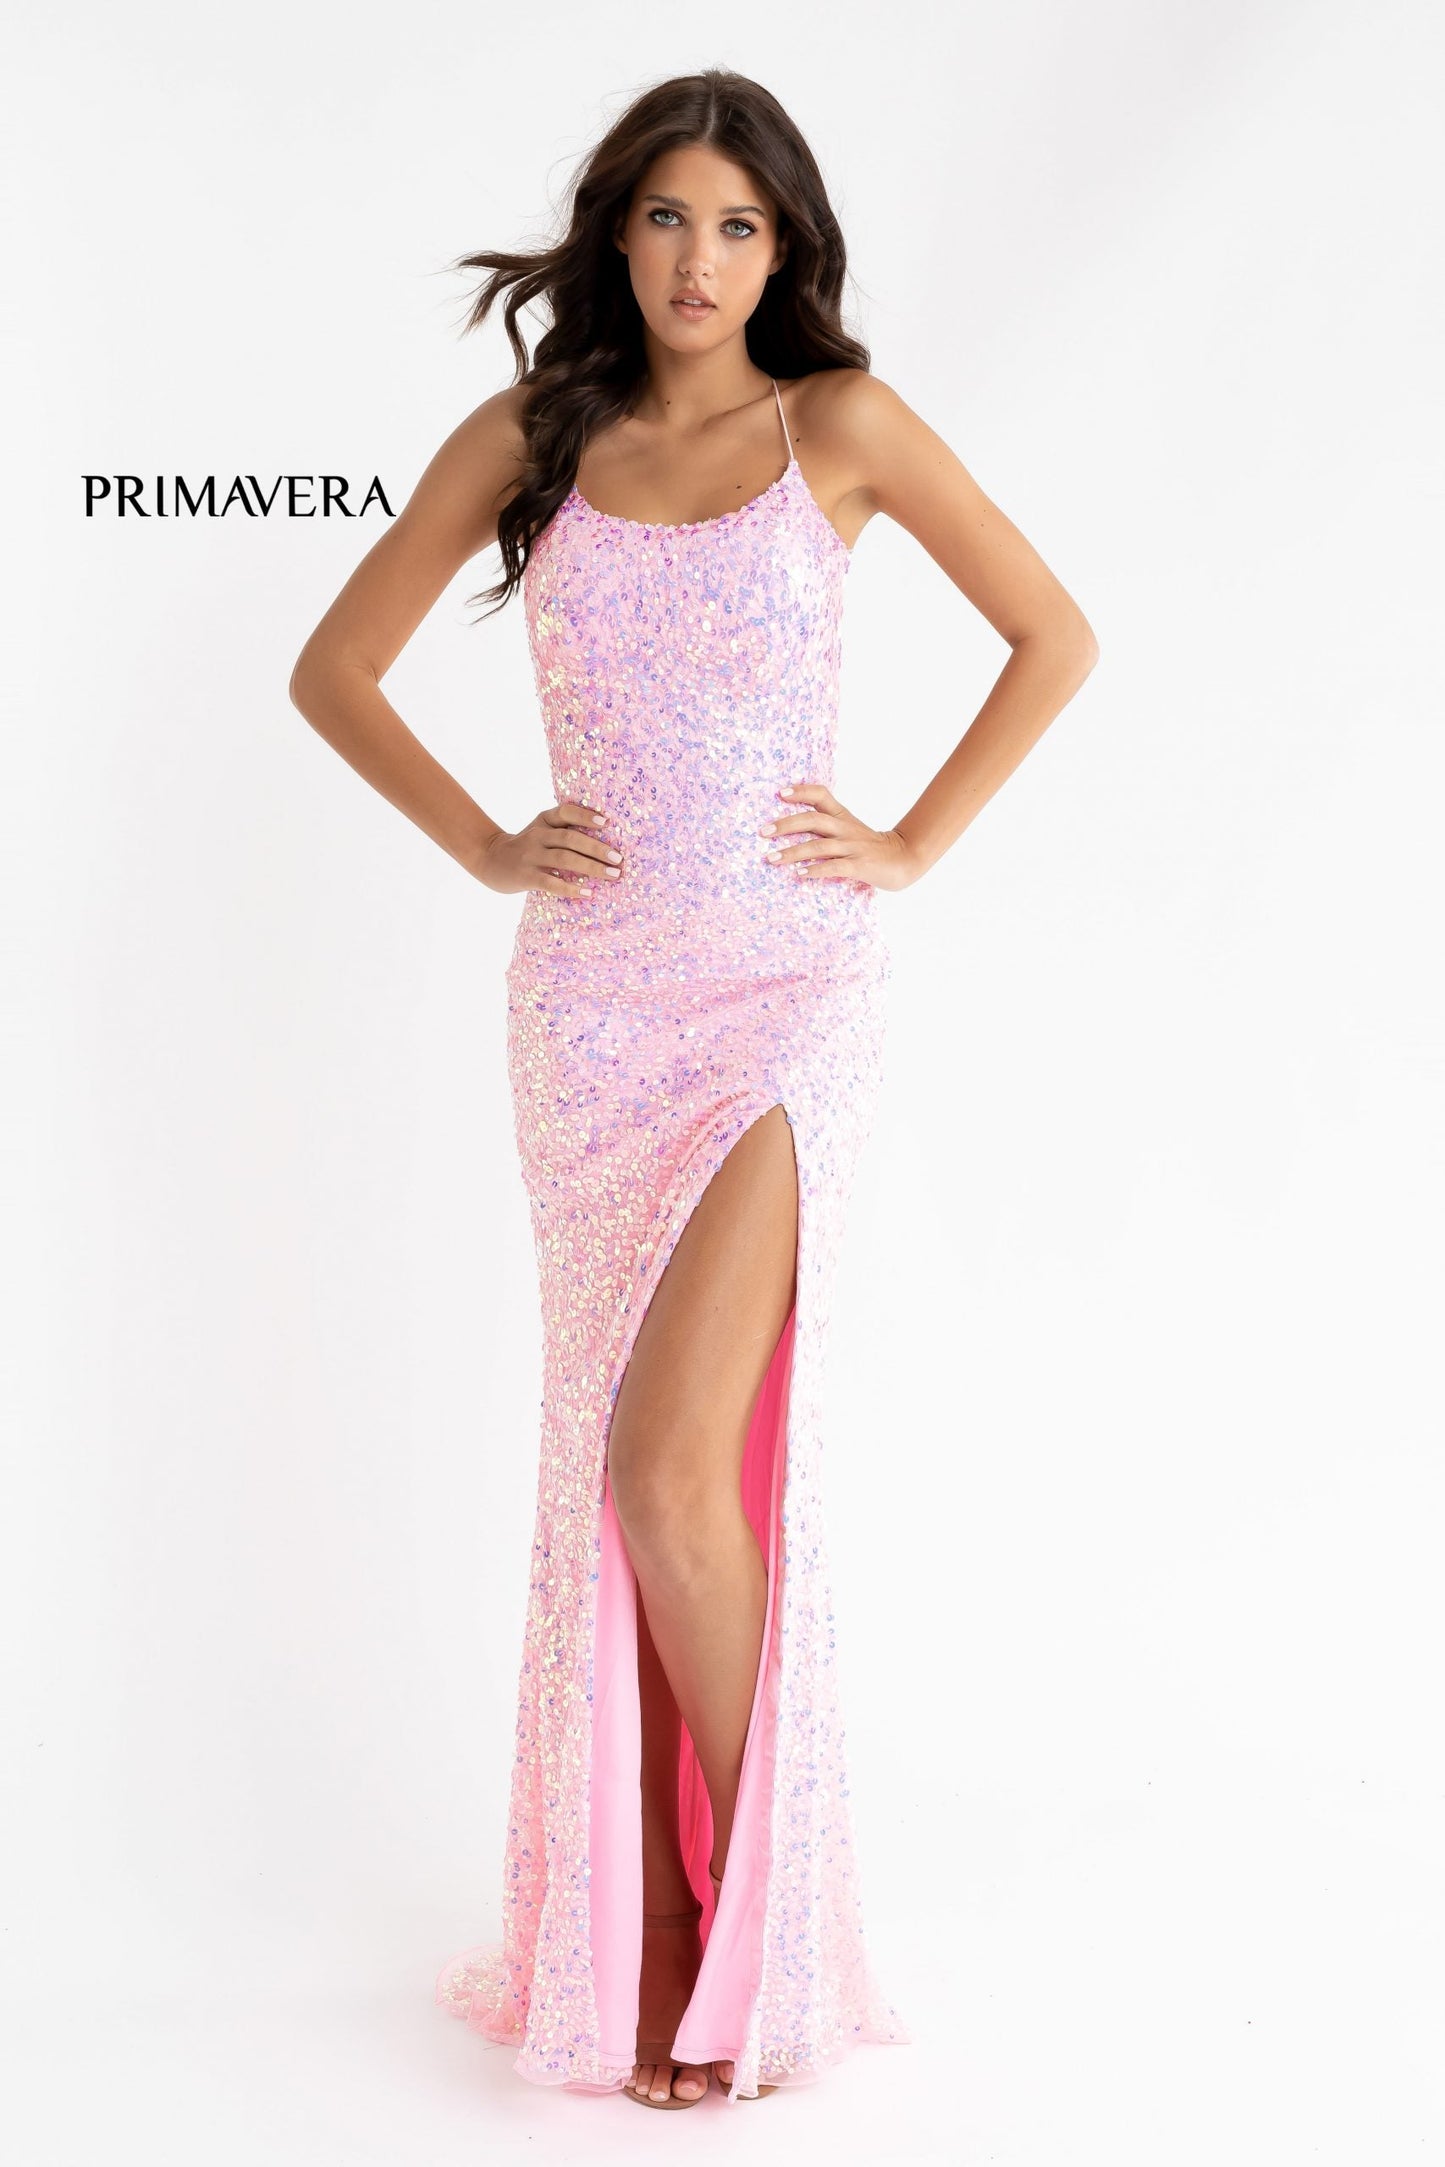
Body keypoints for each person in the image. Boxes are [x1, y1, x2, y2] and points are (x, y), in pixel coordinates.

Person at [289, 66, 1098, 2112]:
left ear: (785, 250)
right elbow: (332, 670)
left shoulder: (840, 426)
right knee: (620, 1479)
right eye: (666, 217)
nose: (698, 260)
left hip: (789, 990)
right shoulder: (536, 440)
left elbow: (1053, 634)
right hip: (589, 1011)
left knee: (678, 1470)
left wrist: (907, 842)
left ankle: (769, 1932)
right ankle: (652, 1935)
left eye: (739, 226)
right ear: (615, 233)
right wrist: (490, 844)